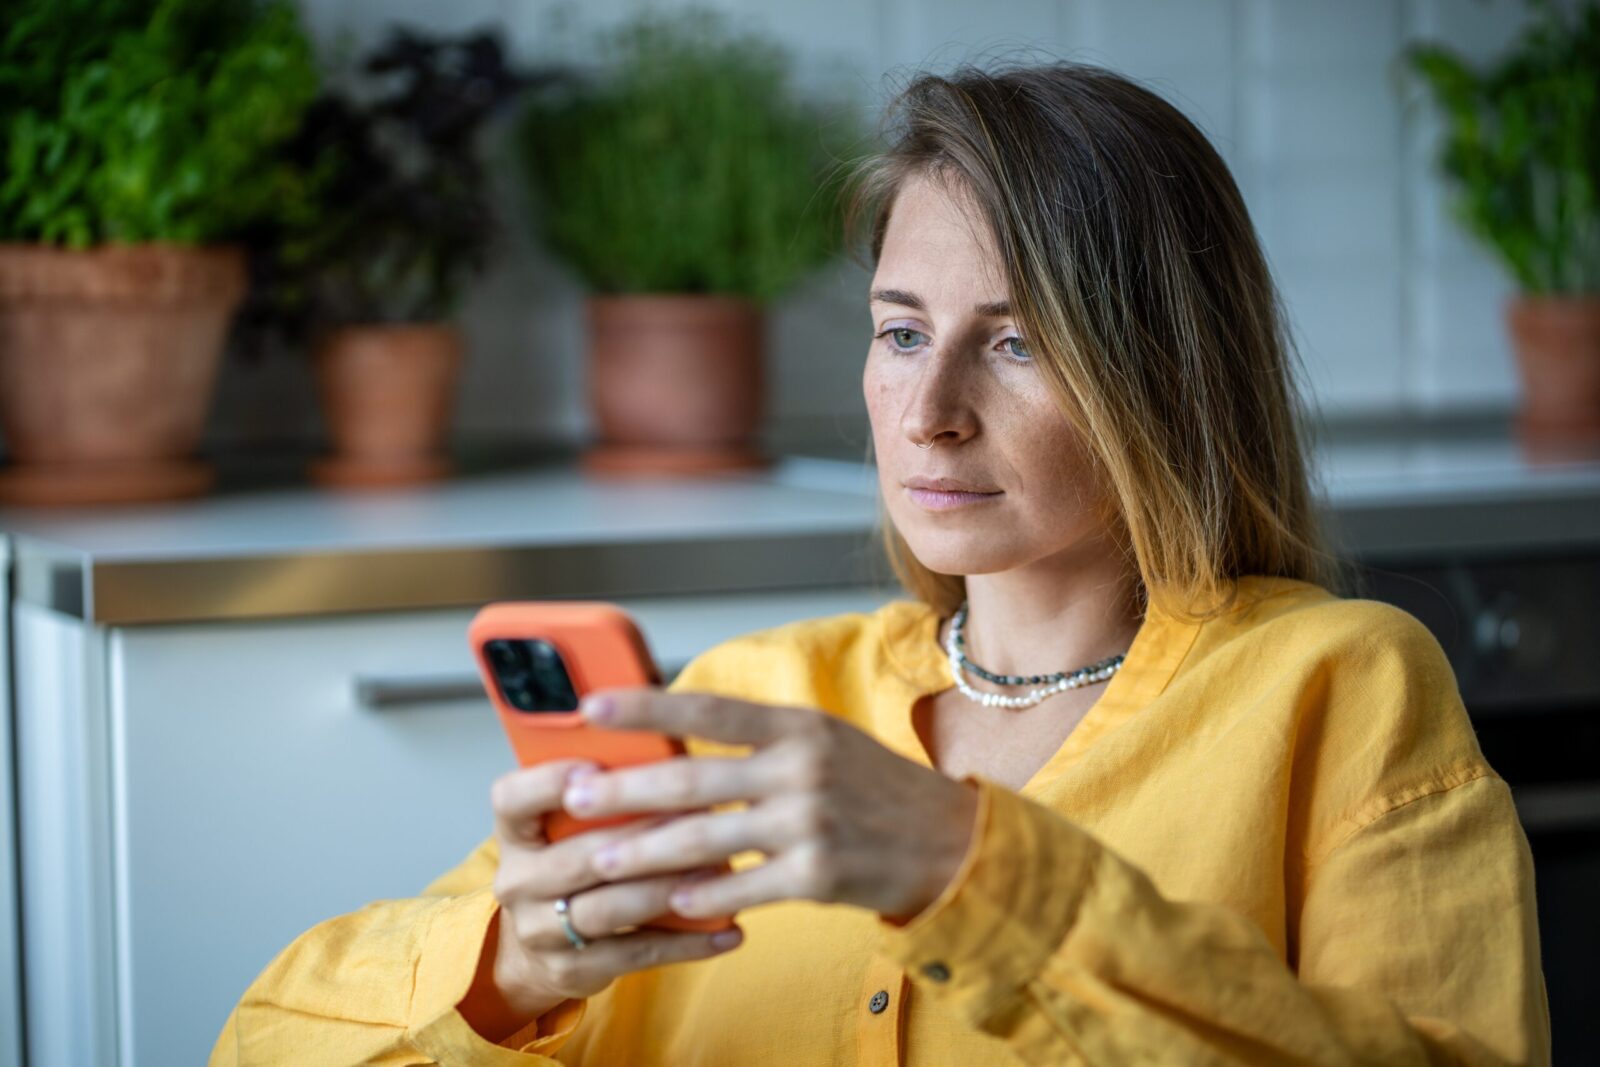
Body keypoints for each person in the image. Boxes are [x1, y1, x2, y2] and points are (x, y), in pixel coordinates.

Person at [209, 61, 1549, 1065]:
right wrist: (515, 969)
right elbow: (262, 1040)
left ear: (1170, 376)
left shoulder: (1340, 685)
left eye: (1018, 344)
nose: (927, 414)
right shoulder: (744, 705)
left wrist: (977, 874)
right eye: (901, 333)